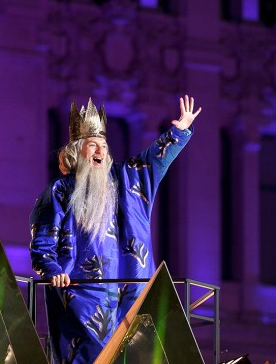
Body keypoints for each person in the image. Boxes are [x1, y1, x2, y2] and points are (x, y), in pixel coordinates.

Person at [29, 95, 201, 363]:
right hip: (80, 297)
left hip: (129, 289)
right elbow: (43, 241)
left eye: (104, 145)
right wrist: (52, 270)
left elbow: (153, 160)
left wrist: (178, 131)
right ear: (76, 150)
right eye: (92, 145)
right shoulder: (60, 191)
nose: (100, 151)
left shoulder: (128, 181)